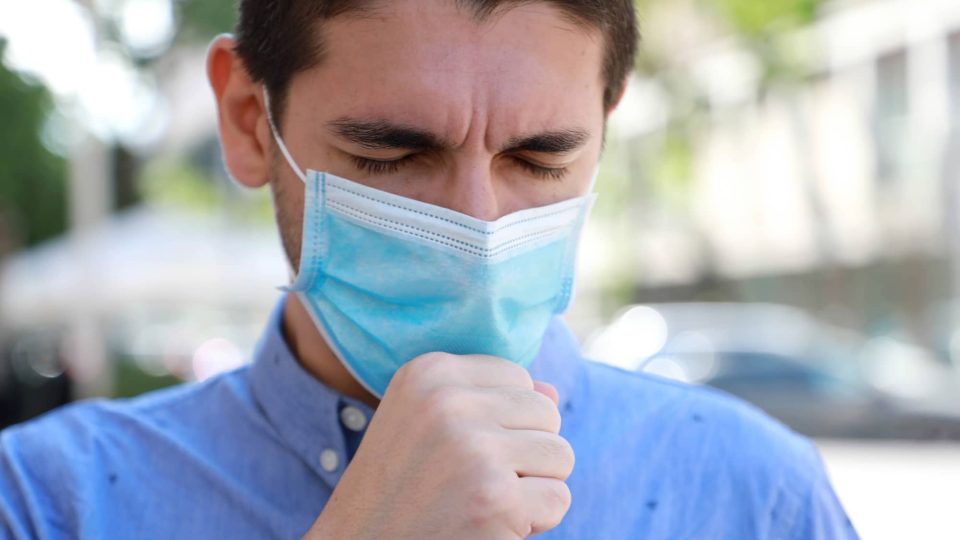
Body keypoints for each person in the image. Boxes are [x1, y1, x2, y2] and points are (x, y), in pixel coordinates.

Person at [0, 1, 859, 538]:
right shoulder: (46, 503)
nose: (476, 229)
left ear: (605, 125)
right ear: (250, 123)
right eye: (392, 154)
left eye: (539, 157)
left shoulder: (755, 495)